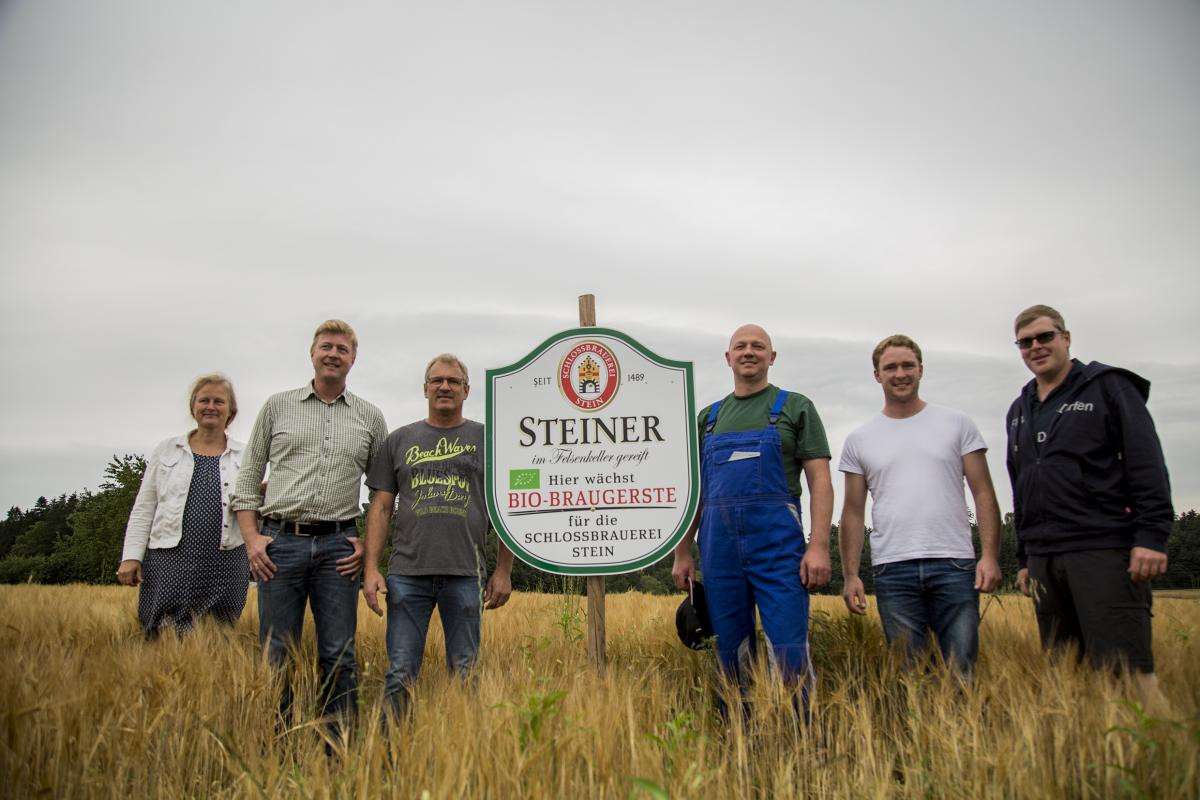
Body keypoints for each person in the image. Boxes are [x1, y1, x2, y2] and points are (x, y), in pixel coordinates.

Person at [1006, 304, 1172, 709]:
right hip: (1046, 555)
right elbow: (1021, 484)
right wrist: (1025, 556)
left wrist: (1151, 537)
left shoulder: (1108, 387)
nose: (1036, 347)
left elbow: (1147, 463)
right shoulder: (1020, 409)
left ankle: (1161, 760)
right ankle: (1090, 755)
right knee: (1066, 669)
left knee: (1129, 671)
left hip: (1103, 548)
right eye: (1026, 342)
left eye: (1045, 337)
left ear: (1066, 338)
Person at [231, 319, 388, 735]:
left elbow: (382, 495)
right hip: (280, 543)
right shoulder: (277, 406)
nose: (333, 354)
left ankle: (336, 747)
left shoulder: (370, 417)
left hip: (339, 548)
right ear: (313, 353)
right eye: (326, 347)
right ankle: (277, 739)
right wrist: (252, 540)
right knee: (276, 650)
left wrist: (367, 551)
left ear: (353, 360)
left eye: (342, 349)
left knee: (339, 653)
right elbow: (246, 481)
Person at [671, 324, 833, 708]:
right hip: (719, 552)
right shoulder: (708, 418)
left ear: (771, 357)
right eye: (740, 346)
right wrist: (682, 552)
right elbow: (693, 493)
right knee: (729, 649)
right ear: (728, 358)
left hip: (779, 551)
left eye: (758, 346)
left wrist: (819, 546)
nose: (749, 352)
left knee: (789, 649)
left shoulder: (796, 407)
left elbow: (821, 481)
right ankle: (738, 743)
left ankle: (801, 744)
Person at [362, 354, 514, 720]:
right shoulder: (399, 440)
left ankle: (461, 757)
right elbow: (381, 508)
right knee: (400, 673)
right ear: (425, 388)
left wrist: (503, 570)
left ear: (466, 390)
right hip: (407, 575)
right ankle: (392, 757)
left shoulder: (489, 438)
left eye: (453, 381)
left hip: (466, 573)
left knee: (465, 674)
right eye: (436, 380)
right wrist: (370, 568)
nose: (444, 387)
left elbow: (509, 504)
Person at [838, 335, 1001, 676]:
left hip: (954, 564)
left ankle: (960, 731)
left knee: (961, 672)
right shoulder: (859, 440)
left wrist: (989, 555)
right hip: (892, 568)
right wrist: (851, 574)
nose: (900, 373)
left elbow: (983, 491)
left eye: (908, 365)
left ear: (921, 370)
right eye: (891, 367)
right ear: (877, 375)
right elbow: (853, 511)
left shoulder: (957, 424)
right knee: (910, 675)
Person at [118, 374, 249, 637]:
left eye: (219, 401)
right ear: (193, 407)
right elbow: (145, 506)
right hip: (170, 555)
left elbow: (252, 506)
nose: (210, 406)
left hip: (227, 556)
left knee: (219, 632)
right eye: (204, 400)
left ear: (231, 411)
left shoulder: (246, 455)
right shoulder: (167, 450)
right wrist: (131, 555)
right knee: (161, 630)